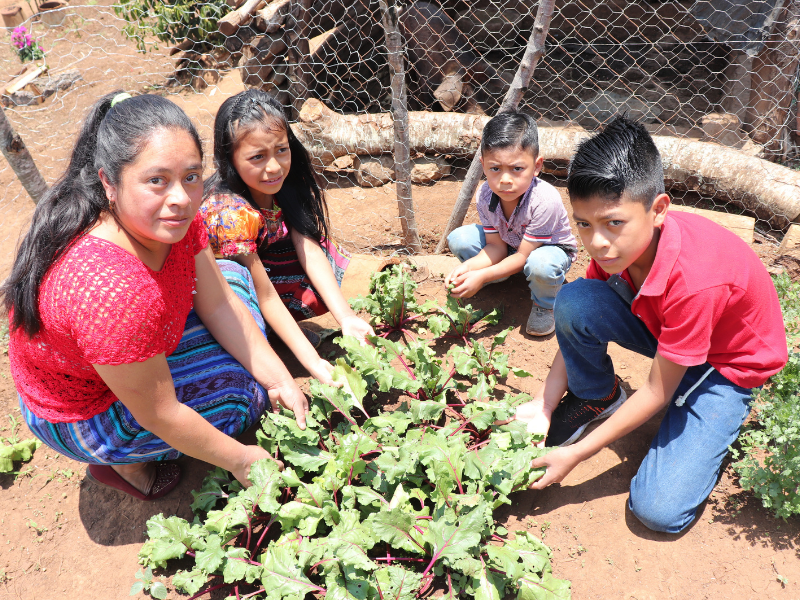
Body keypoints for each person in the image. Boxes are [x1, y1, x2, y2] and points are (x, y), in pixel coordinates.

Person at [2, 92, 322, 502]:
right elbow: (160, 412)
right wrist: (243, 460)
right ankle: (125, 463)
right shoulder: (109, 289)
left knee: (234, 275)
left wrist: (281, 379)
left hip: (120, 347)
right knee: (243, 395)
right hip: (85, 411)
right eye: (157, 180)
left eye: (191, 176)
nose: (181, 198)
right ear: (108, 183)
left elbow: (221, 302)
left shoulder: (171, 218)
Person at [515, 116, 788, 533]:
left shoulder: (696, 280)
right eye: (584, 224)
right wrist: (544, 404)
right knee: (575, 298)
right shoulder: (620, 251)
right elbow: (578, 309)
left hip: (725, 366)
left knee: (658, 511)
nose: (597, 242)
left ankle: (710, 420)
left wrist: (577, 454)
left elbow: (658, 390)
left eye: (613, 223)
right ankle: (599, 397)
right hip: (674, 333)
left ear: (658, 209)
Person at [200, 89, 374, 355]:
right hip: (219, 299)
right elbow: (264, 293)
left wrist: (347, 317)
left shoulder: (286, 184)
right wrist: (313, 360)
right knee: (237, 280)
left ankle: (275, 330)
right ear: (230, 158)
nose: (274, 167)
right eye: (257, 157)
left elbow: (308, 246)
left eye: (281, 150)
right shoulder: (228, 212)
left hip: (263, 276)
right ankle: (255, 340)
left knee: (324, 250)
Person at [444, 111, 577, 336]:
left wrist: (482, 274)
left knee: (539, 265)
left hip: (547, 251)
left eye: (517, 169)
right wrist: (467, 268)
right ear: (483, 165)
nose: (505, 179)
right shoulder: (485, 195)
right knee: (459, 239)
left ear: (536, 166)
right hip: (511, 247)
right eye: (495, 169)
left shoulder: (544, 200)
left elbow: (524, 256)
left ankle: (545, 305)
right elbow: (496, 246)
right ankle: (501, 275)